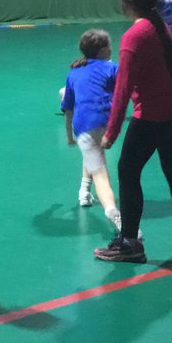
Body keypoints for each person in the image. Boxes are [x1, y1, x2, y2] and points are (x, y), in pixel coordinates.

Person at [95, 0, 172, 263]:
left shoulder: (134, 36)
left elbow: (124, 88)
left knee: (127, 171)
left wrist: (111, 132)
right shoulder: (160, 25)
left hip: (153, 114)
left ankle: (129, 242)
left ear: (128, 2)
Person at [61, 29, 122, 231]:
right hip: (106, 124)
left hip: (84, 128)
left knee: (94, 153)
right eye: (110, 47)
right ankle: (113, 212)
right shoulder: (112, 68)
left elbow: (68, 108)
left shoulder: (74, 72)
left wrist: (70, 136)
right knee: (101, 175)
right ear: (103, 50)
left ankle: (84, 192)